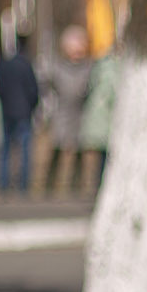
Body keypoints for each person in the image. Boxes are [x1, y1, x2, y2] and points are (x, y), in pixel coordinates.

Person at [41, 24, 94, 194]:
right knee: (57, 148)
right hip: (62, 113)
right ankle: (49, 185)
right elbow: (47, 85)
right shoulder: (57, 67)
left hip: (80, 113)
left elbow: (91, 88)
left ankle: (76, 185)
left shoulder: (88, 67)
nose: (76, 52)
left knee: (79, 150)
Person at [0, 33, 39, 195]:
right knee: (24, 150)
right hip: (24, 113)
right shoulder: (26, 65)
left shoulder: (4, 65)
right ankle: (23, 185)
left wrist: (5, 104)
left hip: (7, 112)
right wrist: (31, 107)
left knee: (5, 149)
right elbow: (34, 91)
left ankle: (3, 183)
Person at [77, 46, 117, 192]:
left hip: (97, 122)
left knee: (93, 159)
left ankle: (89, 188)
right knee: (100, 160)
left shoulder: (98, 67)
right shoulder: (112, 69)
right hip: (105, 123)